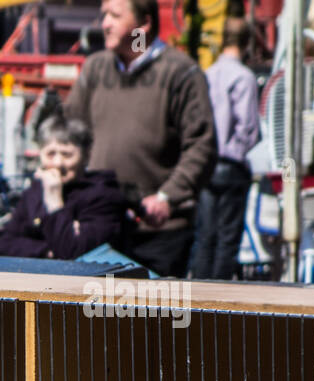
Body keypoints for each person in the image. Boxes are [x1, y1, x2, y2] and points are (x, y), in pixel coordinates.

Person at [65, 0, 216, 277]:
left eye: (114, 15)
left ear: (143, 24)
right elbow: (70, 133)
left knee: (151, 318)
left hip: (158, 234)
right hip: (101, 225)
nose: (104, 24)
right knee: (97, 318)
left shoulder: (181, 72)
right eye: (104, 15)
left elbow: (202, 145)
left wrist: (167, 197)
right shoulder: (95, 69)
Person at [189, 17, 261, 280]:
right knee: (227, 240)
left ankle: (197, 298)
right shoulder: (244, 77)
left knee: (205, 236)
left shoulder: (207, 74)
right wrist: (240, 151)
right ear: (247, 42)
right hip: (231, 165)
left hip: (207, 164)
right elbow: (248, 127)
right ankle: (218, 304)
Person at [0, 116, 127, 259]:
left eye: (67, 155)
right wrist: (47, 250)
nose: (58, 163)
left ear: (85, 156)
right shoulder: (35, 191)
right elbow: (3, 244)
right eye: (51, 154)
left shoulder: (103, 194)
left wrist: (55, 204)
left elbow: (74, 253)